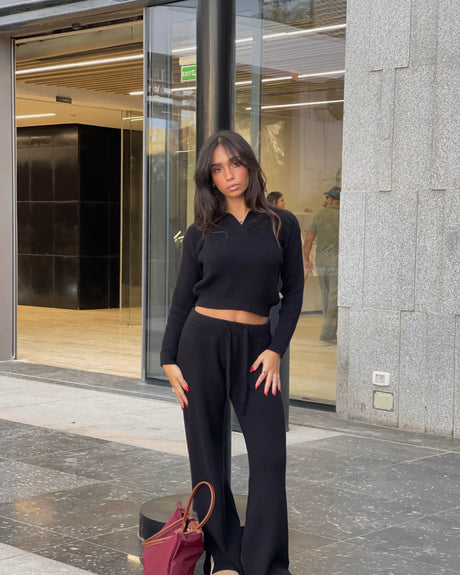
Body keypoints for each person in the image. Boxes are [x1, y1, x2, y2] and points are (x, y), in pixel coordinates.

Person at [160, 130, 304, 575]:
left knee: (270, 457)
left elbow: (294, 294)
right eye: (218, 169)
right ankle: (223, 557)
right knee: (206, 455)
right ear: (210, 178)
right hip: (200, 343)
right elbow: (182, 298)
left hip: (258, 350)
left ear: (250, 165)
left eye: (235, 163)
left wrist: (277, 350)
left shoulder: (281, 223)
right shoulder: (201, 230)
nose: (229, 175)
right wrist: (168, 359)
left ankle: (264, 563)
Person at [303, 186, 340, 344]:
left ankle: (330, 330)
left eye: (328, 198)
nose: (326, 200)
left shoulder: (319, 215)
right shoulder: (345, 215)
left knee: (325, 295)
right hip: (337, 261)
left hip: (321, 260)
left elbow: (308, 240)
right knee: (334, 297)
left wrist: (306, 259)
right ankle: (327, 332)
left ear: (332, 199)